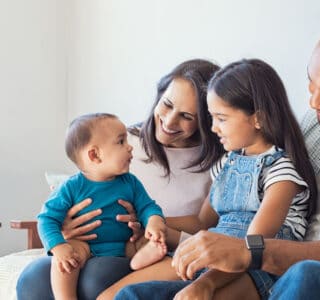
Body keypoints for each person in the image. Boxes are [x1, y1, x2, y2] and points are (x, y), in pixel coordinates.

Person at [116, 14, 320, 299]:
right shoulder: (313, 126)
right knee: (135, 296)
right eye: (312, 85)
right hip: (272, 273)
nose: (314, 103)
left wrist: (252, 251)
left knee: (307, 274)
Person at [98, 58, 318, 299]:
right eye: (211, 118)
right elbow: (203, 221)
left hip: (254, 270)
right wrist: (150, 219)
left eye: (221, 119)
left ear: (258, 119)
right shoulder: (226, 164)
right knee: (118, 296)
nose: (213, 128)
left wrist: (205, 284)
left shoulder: (281, 174)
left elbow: (253, 248)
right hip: (210, 255)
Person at [16, 59, 224, 300]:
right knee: (34, 277)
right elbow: (67, 200)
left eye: (186, 116)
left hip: (146, 248)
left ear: (207, 120)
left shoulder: (219, 163)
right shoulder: (122, 142)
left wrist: (150, 223)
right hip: (86, 243)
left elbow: (205, 224)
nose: (169, 122)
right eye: (166, 104)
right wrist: (64, 229)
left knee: (96, 276)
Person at [37, 113, 167, 300]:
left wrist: (154, 221)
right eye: (121, 142)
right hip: (86, 246)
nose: (130, 147)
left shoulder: (130, 182)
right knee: (65, 261)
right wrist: (58, 247)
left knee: (149, 242)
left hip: (126, 244)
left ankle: (140, 259)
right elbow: (47, 219)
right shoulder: (71, 187)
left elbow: (147, 206)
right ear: (94, 154)